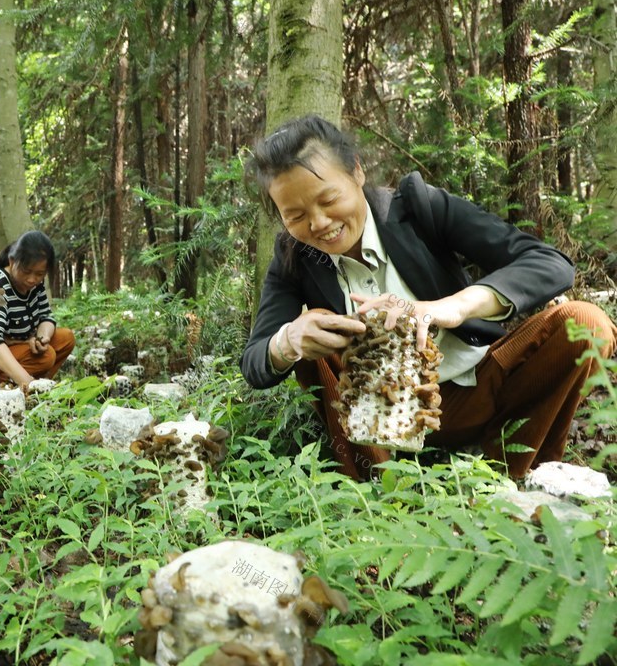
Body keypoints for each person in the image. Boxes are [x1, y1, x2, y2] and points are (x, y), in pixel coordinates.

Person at [241, 115, 616, 480]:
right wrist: (288, 340)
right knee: (305, 345)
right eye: (295, 215)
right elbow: (256, 359)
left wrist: (452, 307)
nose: (319, 223)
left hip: (482, 387)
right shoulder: (294, 259)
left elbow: (549, 263)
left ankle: (507, 474)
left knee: (586, 324)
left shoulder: (417, 207)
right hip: (380, 418)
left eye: (328, 199)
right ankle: (374, 485)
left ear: (356, 171)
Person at [0, 231, 75, 389]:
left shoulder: (36, 285)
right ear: (12, 261)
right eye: (26, 271)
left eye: (39, 274)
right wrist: (27, 383)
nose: (32, 279)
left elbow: (46, 317)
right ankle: (14, 384)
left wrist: (42, 338)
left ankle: (42, 384)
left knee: (66, 338)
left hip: (24, 345)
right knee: (47, 356)